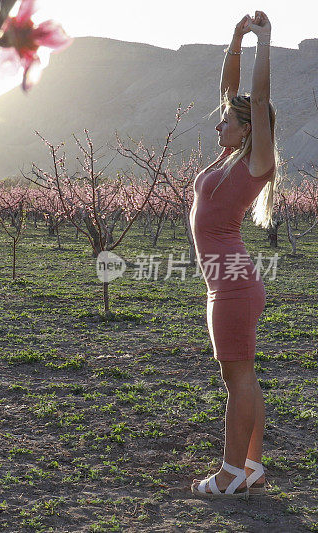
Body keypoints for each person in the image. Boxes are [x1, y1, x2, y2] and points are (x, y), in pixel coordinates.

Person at [188, 10, 279, 499]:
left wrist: (266, 41)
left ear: (249, 129)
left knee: (237, 377)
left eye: (230, 118)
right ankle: (252, 465)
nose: (220, 120)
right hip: (223, 283)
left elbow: (257, 99)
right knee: (242, 375)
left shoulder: (255, 161)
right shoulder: (229, 154)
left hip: (234, 284)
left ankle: (230, 474)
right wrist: (235, 37)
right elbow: (232, 90)